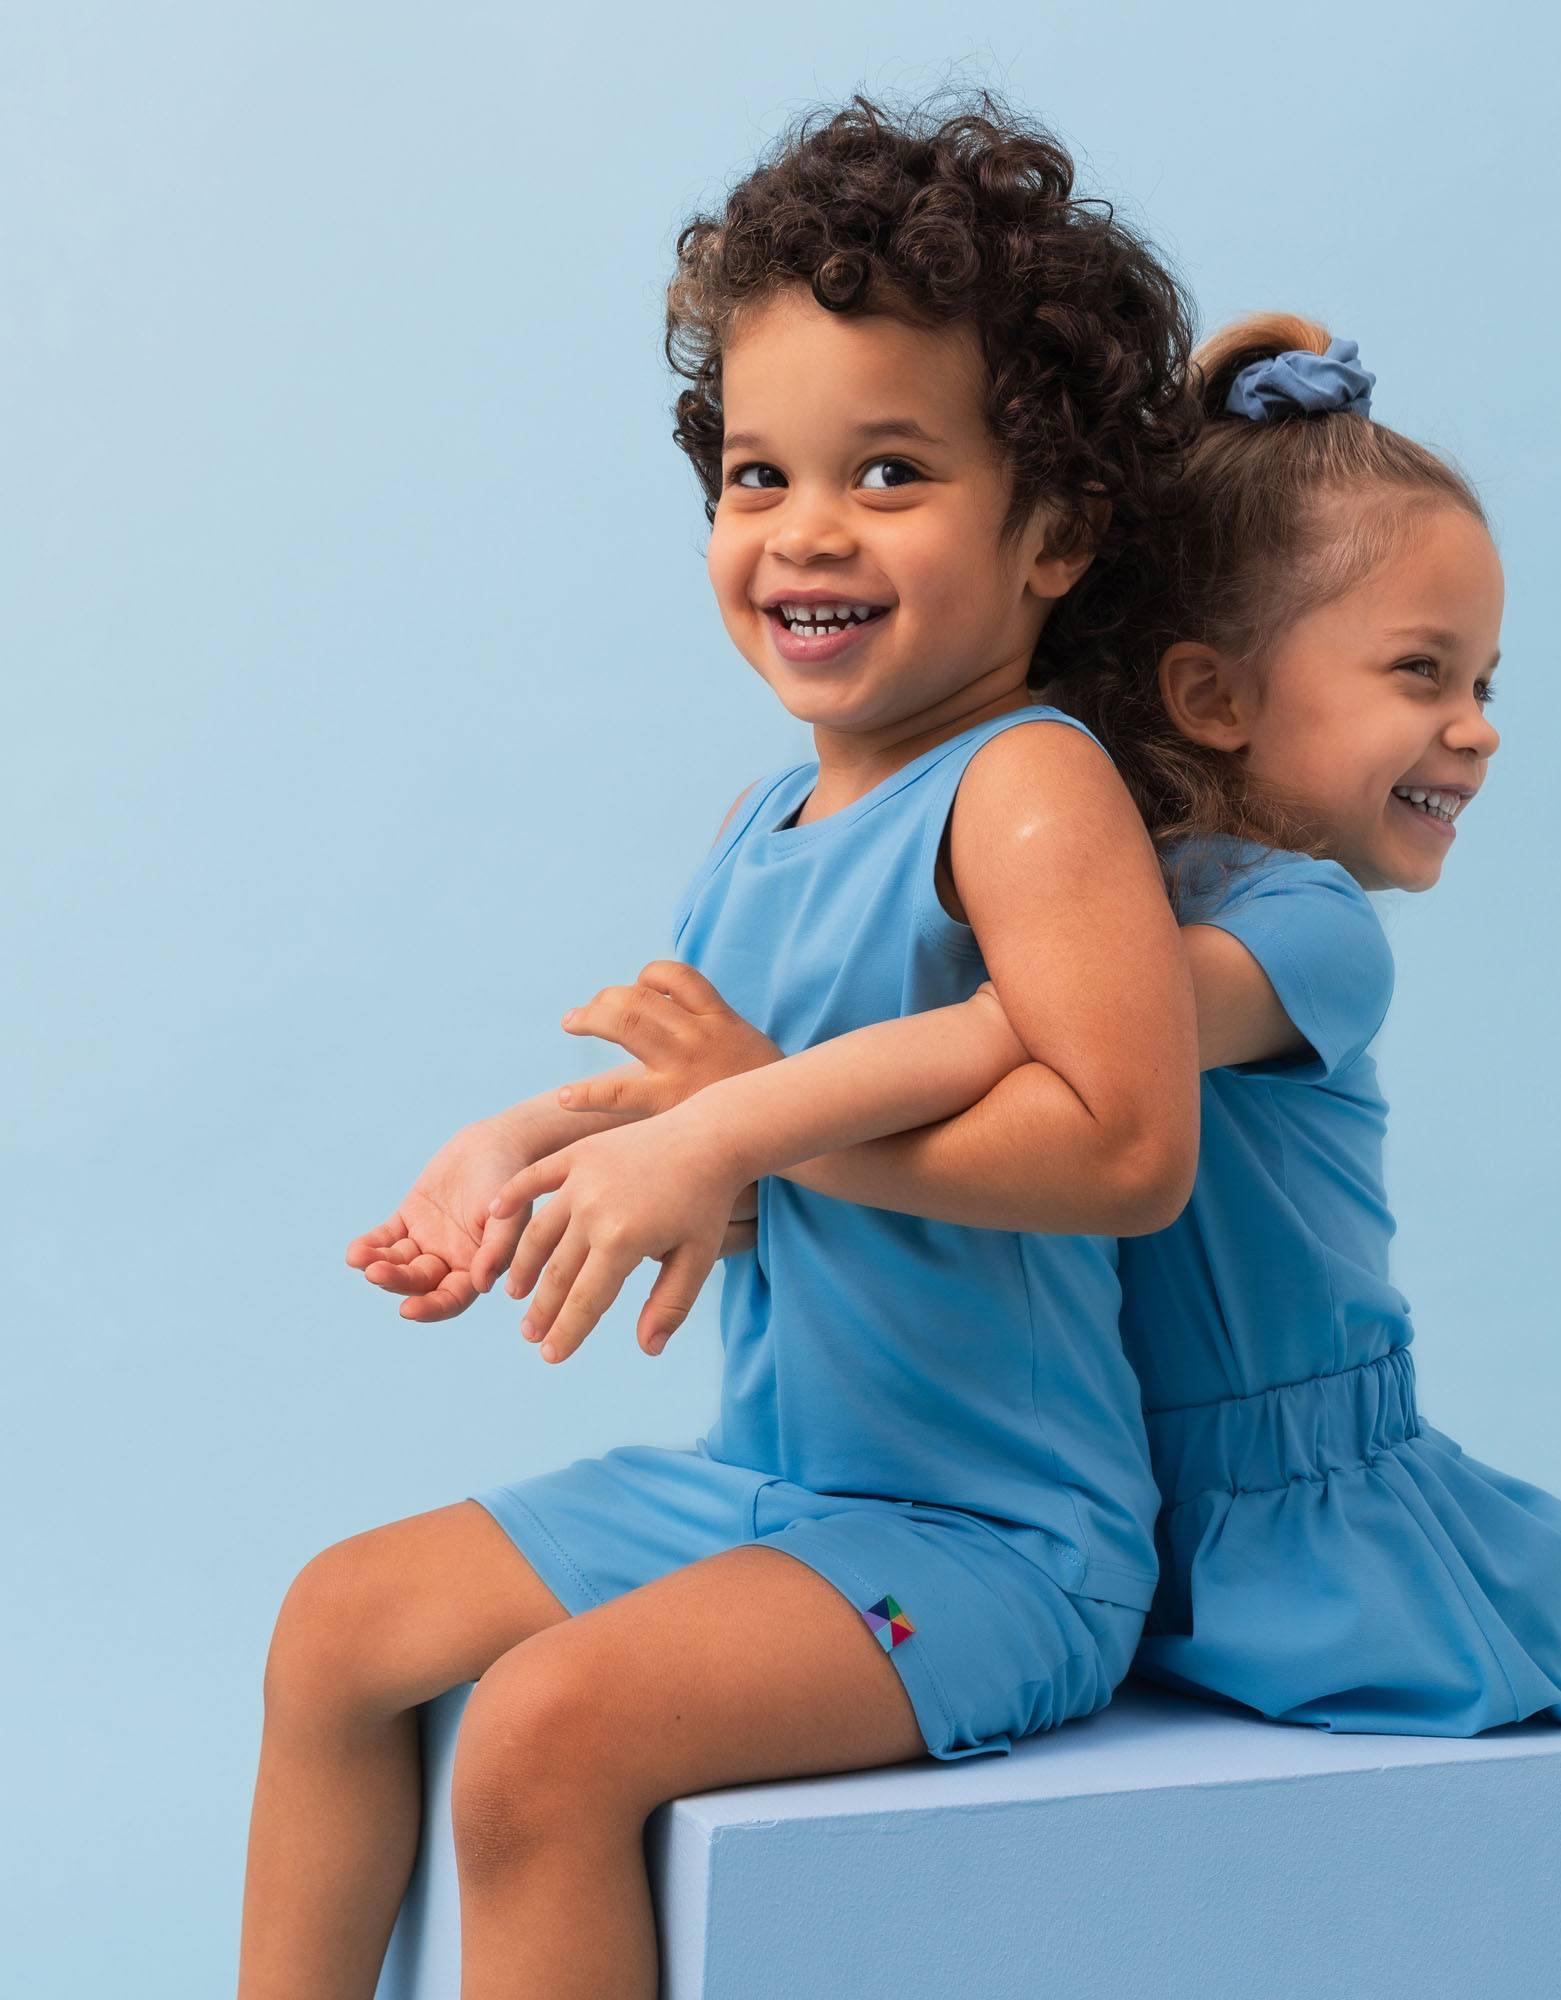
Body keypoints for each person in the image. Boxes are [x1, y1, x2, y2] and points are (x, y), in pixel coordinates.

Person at [595, 314, 1561, 1999]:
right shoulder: (1292, 914)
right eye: (1424, 672)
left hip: (1110, 1493)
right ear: (1208, 689)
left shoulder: (1139, 898)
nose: (1479, 727)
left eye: (1483, 683)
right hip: (1308, 1527)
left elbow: (1019, 1044)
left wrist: (746, 1109)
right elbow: (1050, 1043)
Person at [240, 95, 1199, 2000]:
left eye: (894, 471)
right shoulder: (761, 831)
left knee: (543, 1731)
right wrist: (526, 1151)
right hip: (769, 1485)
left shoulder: (1024, 789)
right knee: (338, 1624)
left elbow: (1123, 1150)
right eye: (757, 476)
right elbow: (732, 1164)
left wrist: (732, 1136)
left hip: (996, 1543)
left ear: (1060, 532)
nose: (804, 532)